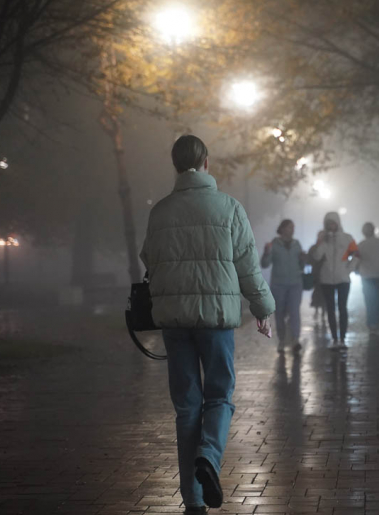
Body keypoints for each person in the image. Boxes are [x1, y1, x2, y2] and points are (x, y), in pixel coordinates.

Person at [140, 134, 275, 514]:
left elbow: (150, 257)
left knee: (187, 407)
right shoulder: (228, 208)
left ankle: (193, 501)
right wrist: (262, 307)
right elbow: (247, 263)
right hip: (215, 319)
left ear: (175, 165)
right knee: (219, 396)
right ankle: (210, 458)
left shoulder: (160, 211)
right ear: (207, 162)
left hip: (175, 321)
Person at [309, 212, 358, 349]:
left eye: (333, 223)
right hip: (326, 280)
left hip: (343, 279)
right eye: (328, 223)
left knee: (342, 308)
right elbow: (317, 256)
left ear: (338, 223)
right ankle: (334, 339)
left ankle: (342, 338)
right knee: (330, 309)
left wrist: (348, 269)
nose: (331, 226)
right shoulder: (324, 240)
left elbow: (356, 255)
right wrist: (321, 242)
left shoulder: (347, 238)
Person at [261, 219, 305, 353]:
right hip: (278, 285)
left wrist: (303, 260)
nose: (292, 230)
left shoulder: (297, 244)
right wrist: (267, 253)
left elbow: (301, 265)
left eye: (293, 227)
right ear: (283, 229)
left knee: (294, 312)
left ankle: (295, 339)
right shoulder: (274, 244)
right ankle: (281, 340)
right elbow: (265, 264)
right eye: (290, 227)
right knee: (279, 313)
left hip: (295, 284)